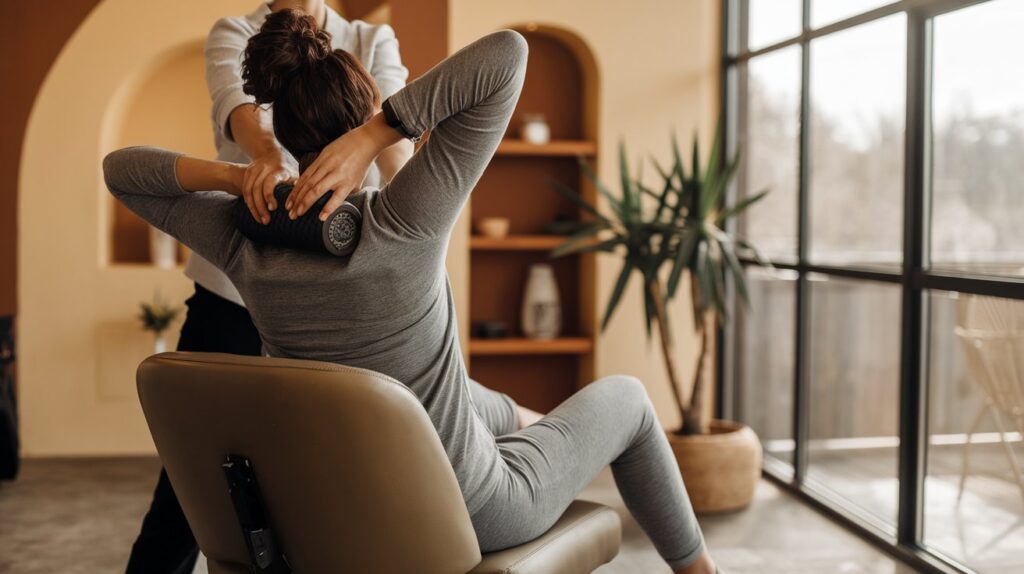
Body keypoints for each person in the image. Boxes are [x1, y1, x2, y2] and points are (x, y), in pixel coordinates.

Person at [105, 10, 717, 574]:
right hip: (475, 512)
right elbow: (508, 54)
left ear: (288, 134)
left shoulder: (245, 248)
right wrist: (375, 136)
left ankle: (536, 435)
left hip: (337, 521)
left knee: (489, 405)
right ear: (367, 115)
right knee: (632, 402)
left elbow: (122, 172)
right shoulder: (406, 221)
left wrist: (242, 175)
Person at [124, 2, 413, 572]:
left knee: (337, 478)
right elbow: (238, 109)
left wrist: (413, 217)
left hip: (341, 291)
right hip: (233, 288)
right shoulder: (235, 30)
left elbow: (396, 133)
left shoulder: (370, 37)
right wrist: (261, 163)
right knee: (194, 478)